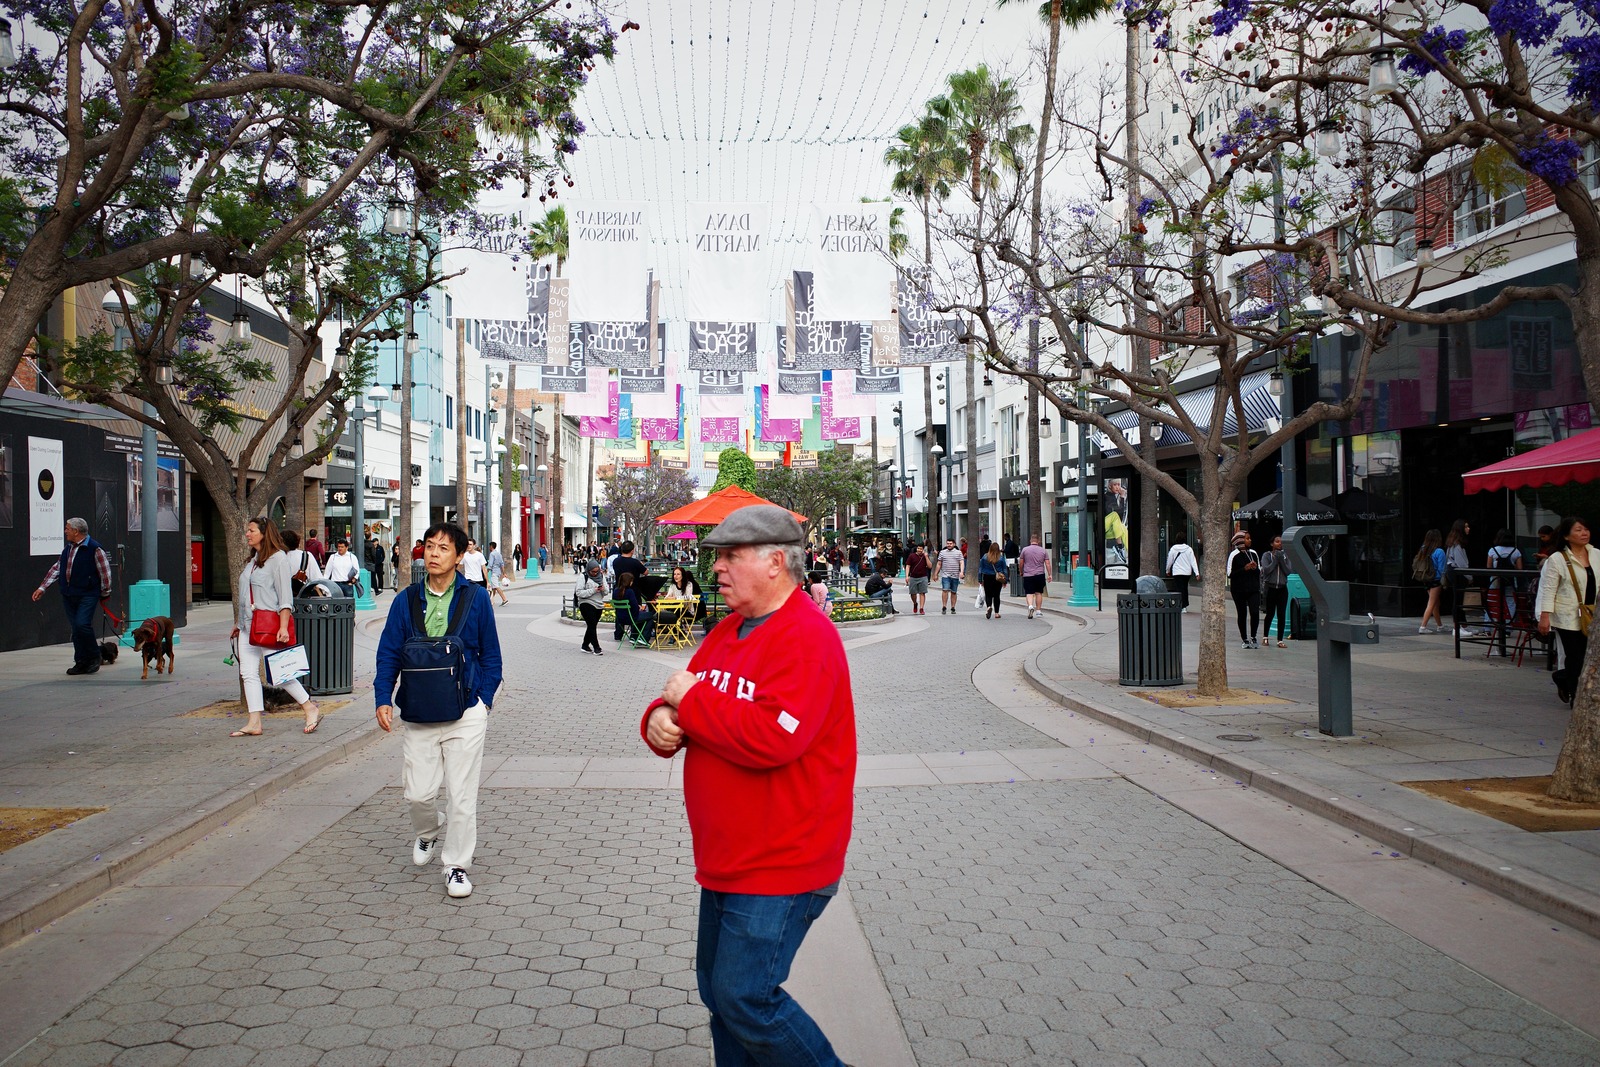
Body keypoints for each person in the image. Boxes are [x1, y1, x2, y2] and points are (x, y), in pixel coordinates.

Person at [640, 505, 856, 1067]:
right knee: (721, 996)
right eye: (718, 559)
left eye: (731, 557)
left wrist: (688, 702)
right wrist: (659, 723)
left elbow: (771, 738)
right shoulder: (730, 630)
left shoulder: (807, 636)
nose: (717, 569)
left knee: (746, 998)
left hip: (781, 862)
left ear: (776, 563)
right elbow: (685, 697)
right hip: (730, 858)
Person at [374, 522, 502, 899]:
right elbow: (389, 652)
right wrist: (383, 696)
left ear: (460, 556)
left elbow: (492, 655)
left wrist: (484, 701)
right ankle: (428, 830)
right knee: (418, 794)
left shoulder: (476, 599)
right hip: (419, 709)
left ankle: (456, 865)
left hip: (466, 711)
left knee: (462, 795)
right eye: (429, 546)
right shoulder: (406, 600)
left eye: (443, 548)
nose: (433, 553)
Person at [228, 517, 322, 737]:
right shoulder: (253, 561)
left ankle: (309, 707)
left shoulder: (278, 559)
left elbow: (285, 597)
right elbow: (245, 595)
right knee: (248, 673)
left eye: (251, 530)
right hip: (247, 626)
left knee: (280, 672)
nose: (247, 534)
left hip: (268, 625)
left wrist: (283, 626)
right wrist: (238, 623)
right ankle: (254, 722)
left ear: (263, 533)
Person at [31, 517, 114, 675]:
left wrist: (105, 592)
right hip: (69, 594)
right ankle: (81, 661)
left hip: (88, 594)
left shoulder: (94, 548)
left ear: (76, 531)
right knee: (76, 628)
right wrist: (43, 587)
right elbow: (57, 567)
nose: (65, 531)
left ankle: (94, 656)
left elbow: (105, 572)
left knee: (82, 624)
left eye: (67, 528)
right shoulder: (68, 548)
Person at [1538, 517, 1594, 706]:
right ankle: (1575, 696)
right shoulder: (1557, 559)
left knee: (1588, 656)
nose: (1584, 533)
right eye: (1578, 530)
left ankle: (1562, 678)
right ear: (1566, 536)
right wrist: (1545, 616)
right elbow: (1548, 589)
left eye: (1586, 529)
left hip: (1591, 614)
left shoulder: (1596, 555)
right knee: (1576, 655)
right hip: (1567, 615)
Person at [1486, 528, 1524, 644]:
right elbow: (1520, 569)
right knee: (1511, 602)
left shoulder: (1492, 550)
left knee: (1492, 602)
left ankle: (1488, 627)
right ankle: (1507, 627)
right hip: (1510, 580)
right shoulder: (1516, 551)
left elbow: (1488, 567)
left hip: (1495, 580)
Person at [1226, 531, 1261, 649]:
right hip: (1238, 589)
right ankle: (1244, 639)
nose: (1250, 540)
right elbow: (1229, 573)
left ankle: (1254, 636)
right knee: (1242, 613)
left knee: (1255, 612)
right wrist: (1244, 569)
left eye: (1249, 538)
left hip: (1253, 588)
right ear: (1240, 540)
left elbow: (1259, 571)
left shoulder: (1254, 553)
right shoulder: (1234, 555)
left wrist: (1255, 568)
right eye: (1247, 538)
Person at [610, 541, 647, 642]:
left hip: (618, 589)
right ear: (632, 550)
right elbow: (645, 572)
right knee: (635, 611)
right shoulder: (635, 562)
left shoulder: (616, 561)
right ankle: (634, 635)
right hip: (633, 590)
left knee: (620, 611)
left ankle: (618, 634)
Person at [1259, 534, 1292, 647]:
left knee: (1281, 614)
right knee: (1270, 613)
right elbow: (1266, 570)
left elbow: (1288, 571)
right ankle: (1265, 637)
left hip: (1282, 589)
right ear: (1272, 543)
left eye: (1281, 542)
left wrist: (1281, 560)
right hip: (1270, 588)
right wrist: (1275, 560)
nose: (1280, 543)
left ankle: (1280, 640)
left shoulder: (1286, 556)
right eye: (1277, 541)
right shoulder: (1266, 555)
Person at [1414, 529, 1445, 634]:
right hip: (1436, 580)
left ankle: (1440, 625)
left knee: (1435, 603)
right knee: (1432, 603)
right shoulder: (1439, 551)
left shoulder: (1423, 549)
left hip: (1425, 579)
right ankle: (1423, 626)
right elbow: (1441, 569)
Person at [574, 559, 608, 655]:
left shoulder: (601, 576)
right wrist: (593, 590)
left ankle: (585, 645)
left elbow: (606, 592)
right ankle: (597, 648)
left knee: (591, 626)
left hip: (598, 604)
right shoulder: (583, 577)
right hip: (586, 603)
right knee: (592, 625)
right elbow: (579, 592)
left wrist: (602, 589)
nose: (595, 573)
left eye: (597, 571)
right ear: (588, 570)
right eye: (592, 572)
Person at [281, 529, 324, 595]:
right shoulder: (306, 556)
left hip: (281, 599)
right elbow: (317, 579)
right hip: (302, 600)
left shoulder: (276, 557)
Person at [1165, 532, 1198, 613]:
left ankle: (1180, 605)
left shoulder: (1173, 549)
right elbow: (1193, 561)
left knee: (1179, 589)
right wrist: (1197, 573)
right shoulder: (1189, 549)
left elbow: (1170, 561)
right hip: (1187, 572)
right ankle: (1185, 605)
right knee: (1184, 588)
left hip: (1177, 572)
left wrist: (1167, 570)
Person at [1020, 534, 1050, 619]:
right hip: (1040, 574)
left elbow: (1021, 562)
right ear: (1038, 541)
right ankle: (1039, 611)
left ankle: (1030, 606)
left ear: (1030, 540)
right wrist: (1050, 574)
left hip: (1028, 574)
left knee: (1029, 593)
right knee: (1038, 593)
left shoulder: (1025, 550)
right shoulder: (1043, 550)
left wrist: (1021, 571)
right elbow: (1047, 563)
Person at [935, 537, 965, 615]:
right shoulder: (942, 552)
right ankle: (944, 606)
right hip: (945, 575)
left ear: (954, 544)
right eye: (948, 543)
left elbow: (961, 562)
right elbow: (939, 564)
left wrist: (961, 572)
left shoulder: (958, 553)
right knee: (945, 590)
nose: (949, 545)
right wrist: (936, 574)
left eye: (950, 543)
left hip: (955, 575)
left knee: (954, 592)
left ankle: (953, 607)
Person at [978, 542, 1007, 619]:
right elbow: (1004, 569)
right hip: (998, 578)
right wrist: (1005, 580)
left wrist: (980, 579)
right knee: (997, 595)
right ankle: (997, 613)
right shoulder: (1001, 558)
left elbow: (980, 569)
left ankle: (988, 607)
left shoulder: (985, 557)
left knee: (988, 594)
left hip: (987, 577)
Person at [904, 541, 931, 615]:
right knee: (913, 593)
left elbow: (930, 566)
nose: (919, 550)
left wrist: (926, 557)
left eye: (921, 549)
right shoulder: (912, 556)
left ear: (923, 549)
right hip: (913, 577)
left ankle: (921, 608)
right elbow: (908, 565)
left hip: (923, 576)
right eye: (918, 548)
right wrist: (907, 576)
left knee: (922, 592)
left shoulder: (925, 556)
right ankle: (915, 603)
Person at [487, 541, 510, 606]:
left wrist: (487, 570)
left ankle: (504, 599)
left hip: (494, 572)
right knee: (493, 587)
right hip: (498, 572)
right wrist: (503, 573)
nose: (489, 548)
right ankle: (491, 600)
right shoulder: (498, 554)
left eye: (489, 546)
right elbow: (501, 564)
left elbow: (490, 564)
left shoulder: (492, 554)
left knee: (496, 586)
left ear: (491, 547)